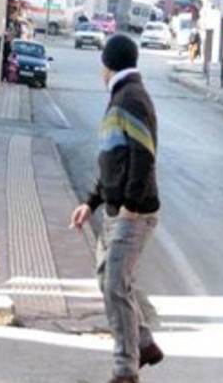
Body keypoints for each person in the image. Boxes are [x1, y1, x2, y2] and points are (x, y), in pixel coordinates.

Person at [71, 34, 162, 383]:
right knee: (107, 280)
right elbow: (112, 161)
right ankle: (143, 341)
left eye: (102, 64)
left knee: (115, 286)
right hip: (113, 210)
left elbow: (143, 157)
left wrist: (129, 206)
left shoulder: (132, 99)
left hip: (131, 214)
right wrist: (90, 203)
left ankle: (125, 370)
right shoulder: (122, 97)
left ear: (108, 65)